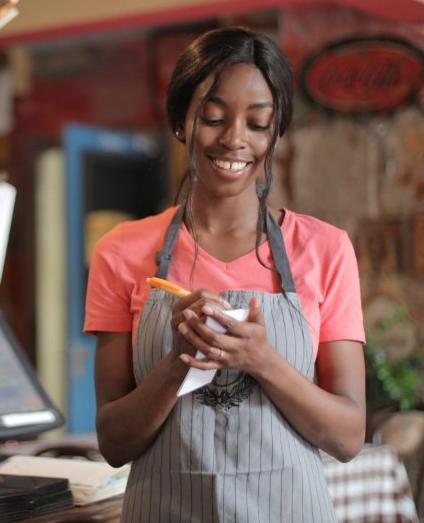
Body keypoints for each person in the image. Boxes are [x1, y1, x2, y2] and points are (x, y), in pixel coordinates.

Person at [84, 27, 366, 521]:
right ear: (180, 121)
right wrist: (177, 364)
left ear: (276, 132)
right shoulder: (122, 252)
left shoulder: (326, 249)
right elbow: (114, 441)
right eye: (214, 118)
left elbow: (347, 437)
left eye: (258, 123)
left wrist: (262, 360)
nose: (235, 139)